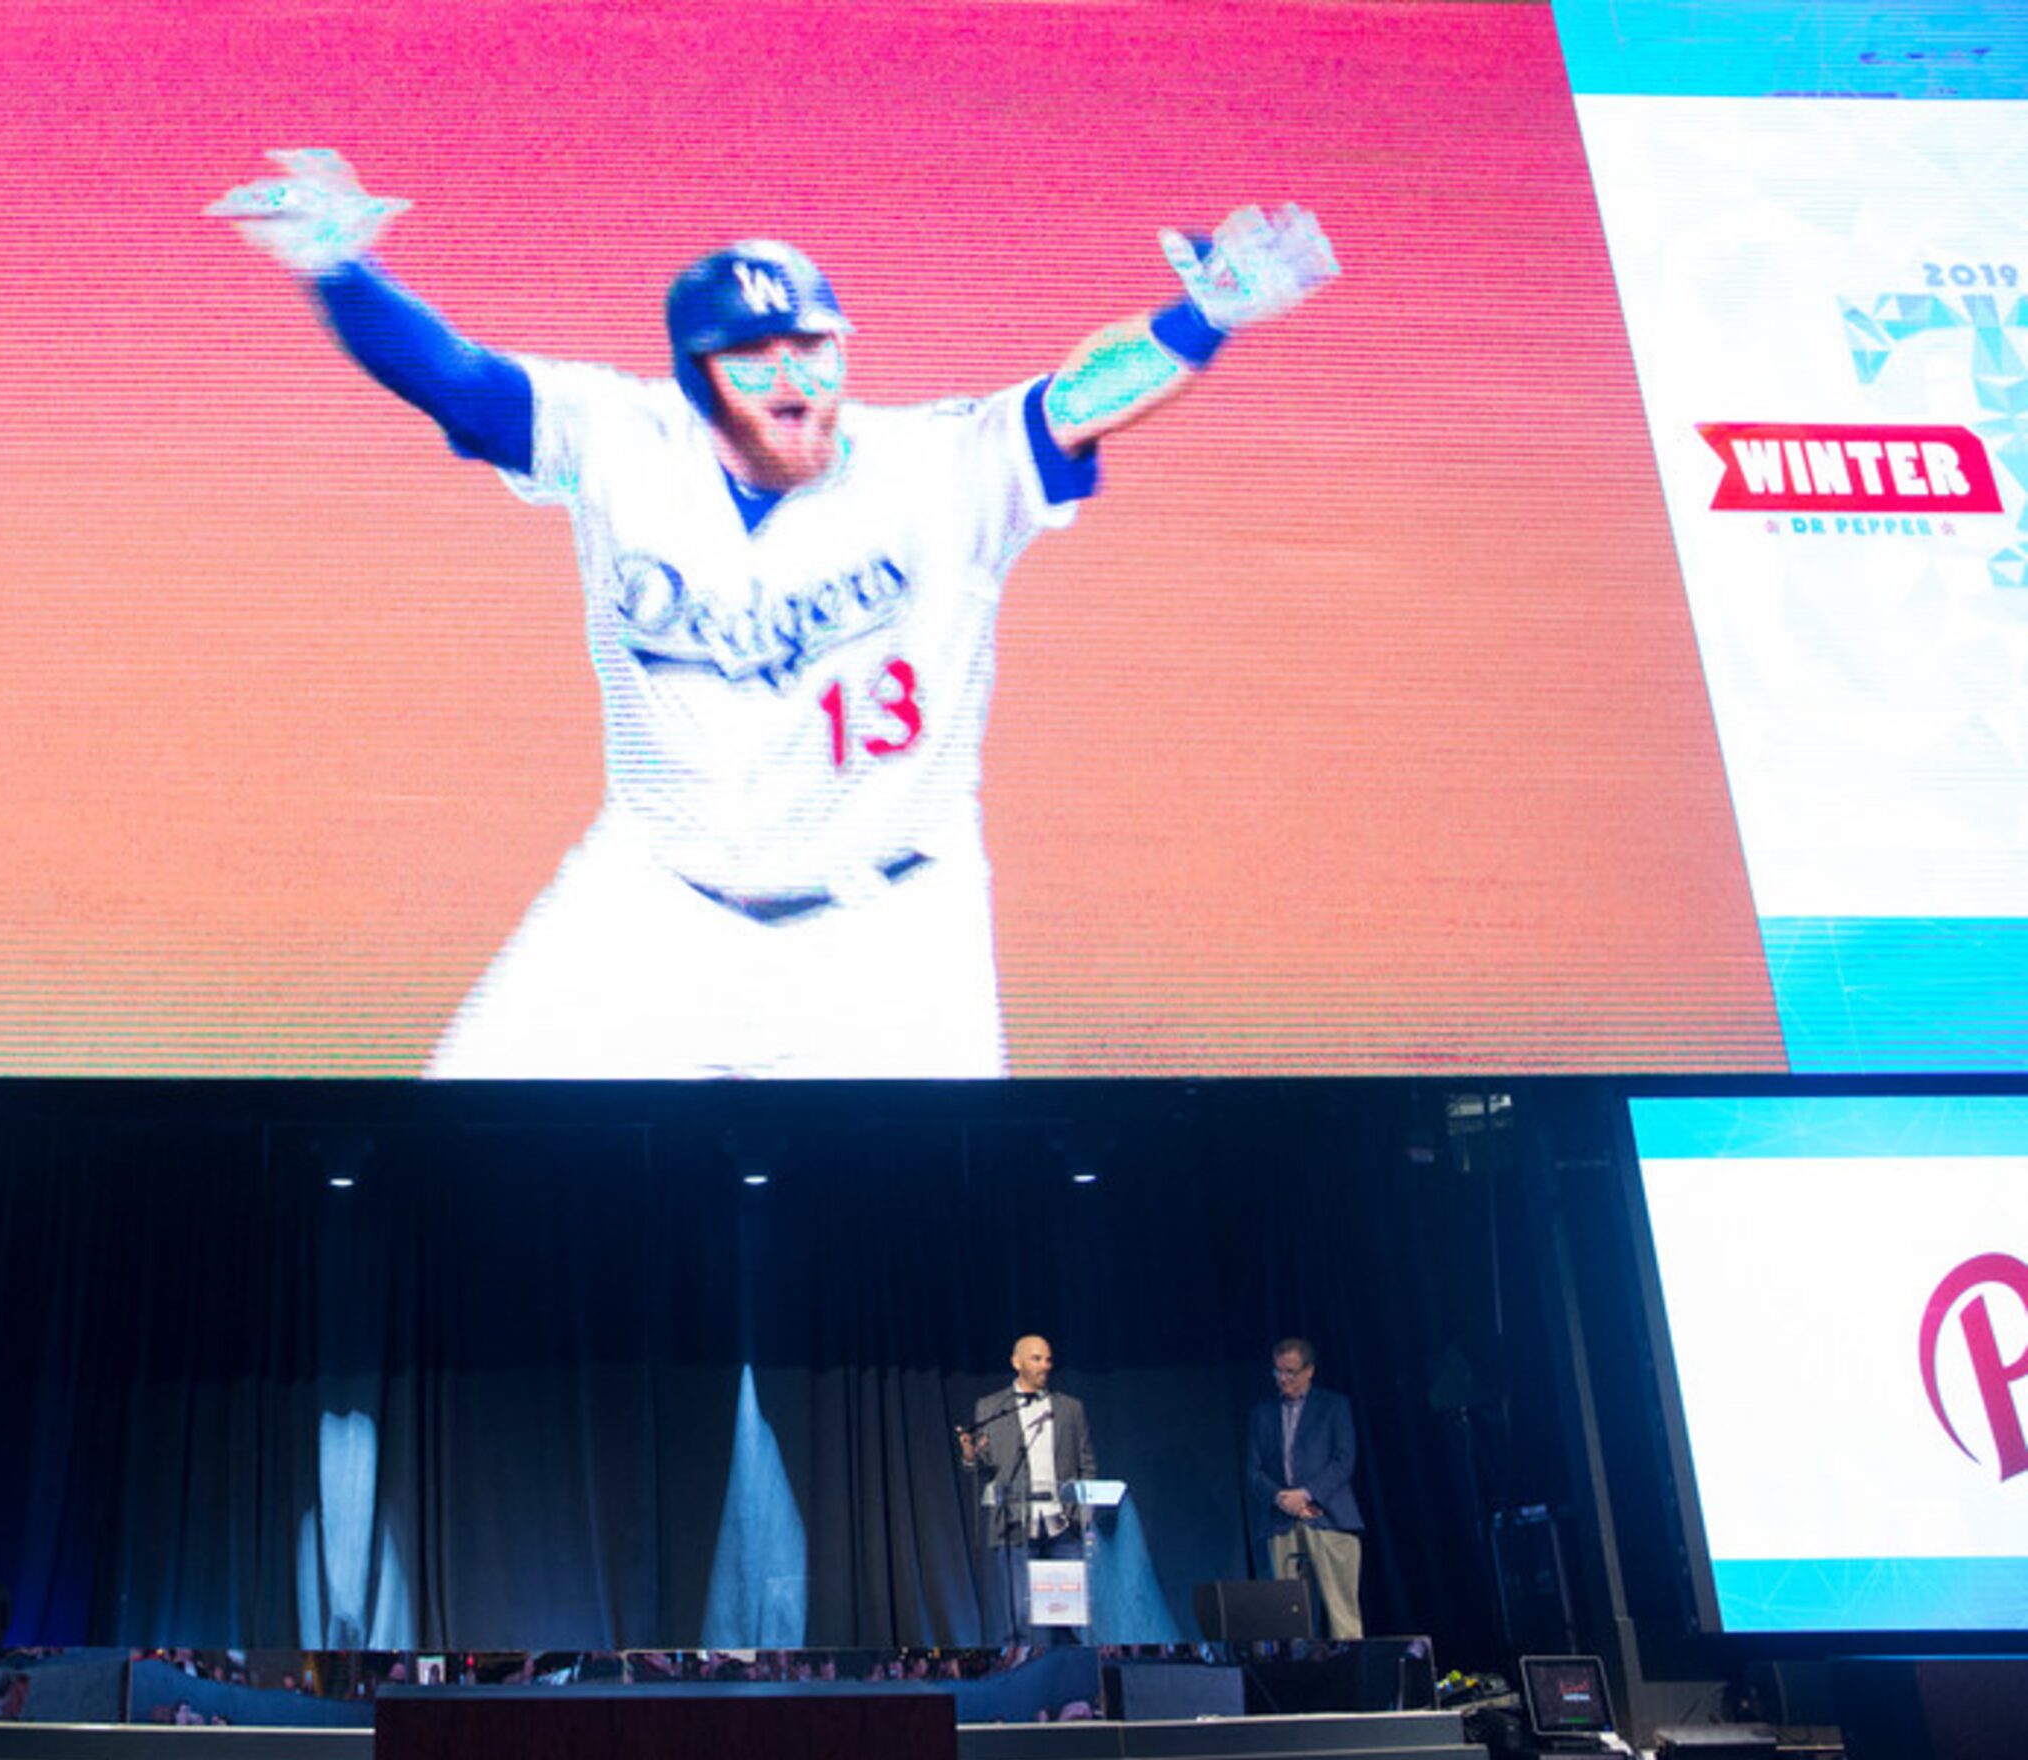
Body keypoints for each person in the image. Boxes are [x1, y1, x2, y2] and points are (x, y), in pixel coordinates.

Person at [209, 150, 1339, 1077]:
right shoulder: (616, 440)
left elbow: (1078, 399)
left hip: (895, 929)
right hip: (650, 902)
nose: (793, 376)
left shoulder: (939, 466)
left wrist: (1200, 321)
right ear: (695, 379)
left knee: (932, 1227)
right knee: (454, 1150)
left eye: (813, 346)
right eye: (754, 358)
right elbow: (455, 380)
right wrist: (340, 270)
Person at [959, 1334, 1097, 1644]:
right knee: (1021, 1617)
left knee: (1067, 1614)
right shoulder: (992, 1407)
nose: (1044, 1365)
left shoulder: (1071, 1409)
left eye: (1048, 1359)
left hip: (1063, 1526)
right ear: (1016, 1362)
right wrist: (971, 1457)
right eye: (1036, 1359)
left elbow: (1086, 1464)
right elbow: (985, 1466)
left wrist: (1081, 1514)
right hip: (1015, 1526)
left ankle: (1069, 1674)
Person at [1246, 1335, 1364, 1639]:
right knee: (1287, 1620)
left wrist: (1307, 1494)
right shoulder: (1263, 1413)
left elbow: (1344, 1460)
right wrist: (1280, 1498)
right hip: (1281, 1523)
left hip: (1328, 1518)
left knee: (1342, 1614)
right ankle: (1298, 1679)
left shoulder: (1334, 1406)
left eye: (1290, 1372)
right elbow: (1254, 1471)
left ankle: (1353, 1679)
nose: (1283, 1379)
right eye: (1278, 1372)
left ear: (1309, 1371)